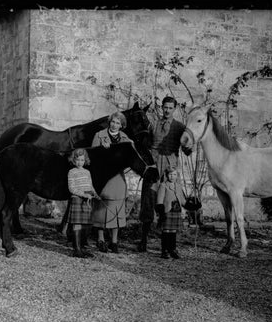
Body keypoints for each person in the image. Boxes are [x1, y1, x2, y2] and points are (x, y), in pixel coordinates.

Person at [137, 96, 187, 252]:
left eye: (170, 108)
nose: (167, 110)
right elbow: (144, 145)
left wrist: (188, 147)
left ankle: (169, 245)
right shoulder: (154, 124)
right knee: (148, 201)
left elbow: (187, 147)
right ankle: (143, 239)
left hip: (170, 170)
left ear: (175, 109)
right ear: (161, 107)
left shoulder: (180, 127)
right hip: (154, 167)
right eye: (165, 107)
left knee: (170, 204)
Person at [91, 111, 133, 253]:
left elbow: (129, 161)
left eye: (118, 123)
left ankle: (114, 241)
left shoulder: (125, 139)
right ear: (110, 122)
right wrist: (104, 150)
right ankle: (101, 239)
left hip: (118, 178)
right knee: (101, 207)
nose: (115, 125)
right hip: (103, 177)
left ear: (122, 125)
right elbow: (93, 157)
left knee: (117, 207)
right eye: (113, 122)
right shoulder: (99, 135)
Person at [66, 148, 99, 258]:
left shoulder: (87, 172)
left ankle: (82, 247)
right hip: (77, 199)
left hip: (88, 200)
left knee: (86, 225)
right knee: (77, 224)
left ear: (85, 160)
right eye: (78, 160)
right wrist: (84, 195)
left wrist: (95, 194)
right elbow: (72, 188)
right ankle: (77, 249)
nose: (80, 162)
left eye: (82, 160)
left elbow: (90, 185)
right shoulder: (72, 172)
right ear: (74, 160)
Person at [156, 166, 187, 259]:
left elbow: (182, 200)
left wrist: (191, 204)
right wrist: (161, 212)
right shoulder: (163, 185)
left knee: (173, 231)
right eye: (170, 174)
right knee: (166, 230)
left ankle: (172, 249)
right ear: (166, 175)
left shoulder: (178, 186)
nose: (172, 176)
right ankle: (164, 250)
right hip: (167, 211)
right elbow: (159, 200)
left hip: (176, 210)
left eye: (174, 174)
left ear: (177, 176)